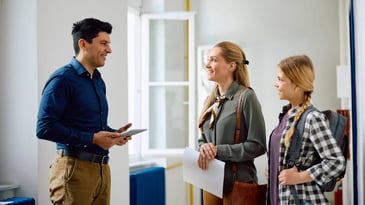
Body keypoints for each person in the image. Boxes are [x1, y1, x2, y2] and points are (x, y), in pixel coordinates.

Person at [36, 18, 132, 205]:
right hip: (73, 171)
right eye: (103, 43)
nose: (109, 50)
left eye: (109, 44)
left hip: (102, 170)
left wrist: (113, 135)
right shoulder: (62, 79)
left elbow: (91, 126)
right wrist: (93, 139)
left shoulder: (98, 80)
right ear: (83, 44)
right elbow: (44, 128)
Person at [266, 55, 346, 205]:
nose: (275, 84)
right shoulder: (286, 115)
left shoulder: (312, 118)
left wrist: (300, 177)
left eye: (280, 79)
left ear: (297, 85)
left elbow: (336, 162)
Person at [197, 41, 266, 205]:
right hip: (211, 181)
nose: (207, 65)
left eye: (213, 60)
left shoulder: (247, 97)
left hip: (238, 183)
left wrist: (218, 151)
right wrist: (203, 147)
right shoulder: (210, 100)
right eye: (208, 60)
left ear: (231, 65)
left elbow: (258, 145)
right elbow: (204, 139)